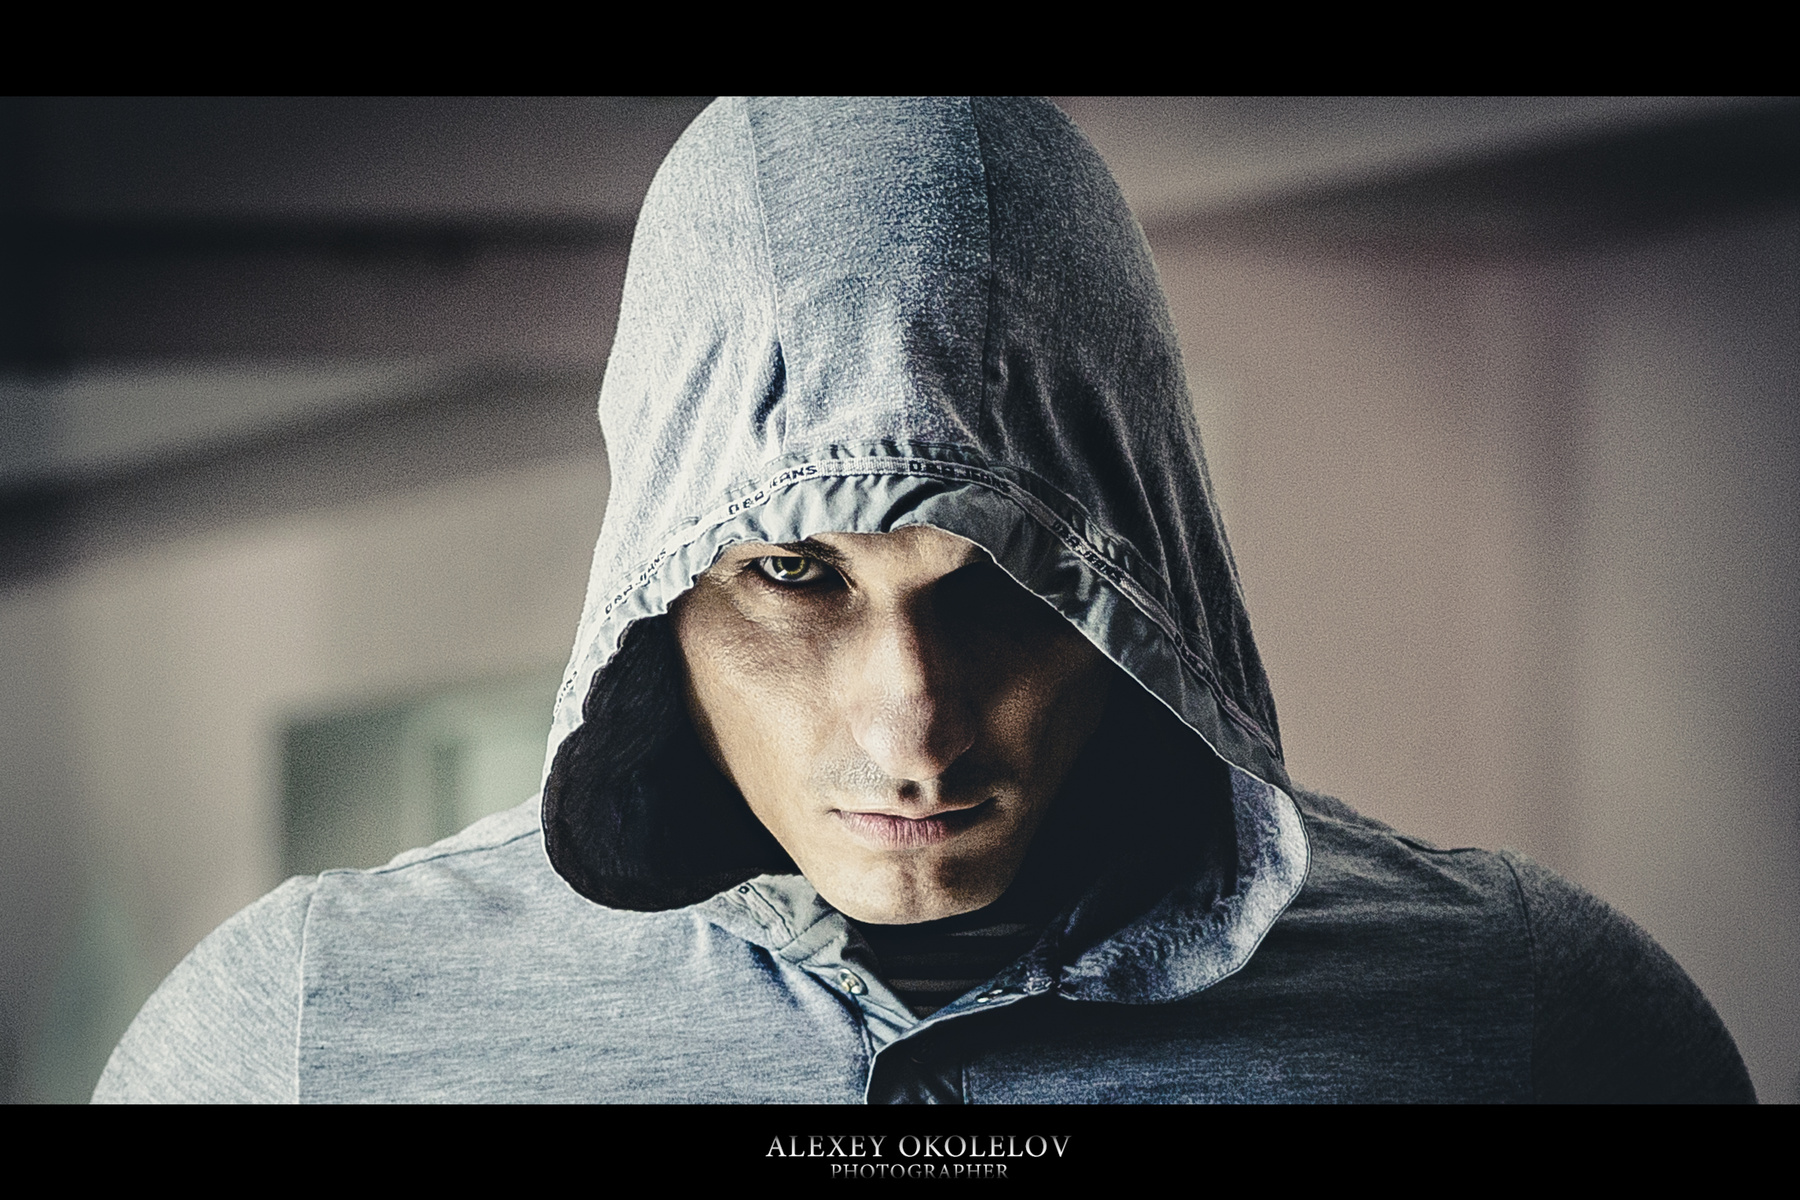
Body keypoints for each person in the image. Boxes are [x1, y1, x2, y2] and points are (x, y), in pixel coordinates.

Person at [94, 97, 1754, 1104]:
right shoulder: (304, 1034)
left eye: (1011, 584)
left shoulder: (1536, 1026)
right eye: (796, 575)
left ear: (1145, 581)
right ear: (659, 591)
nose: (917, 726)